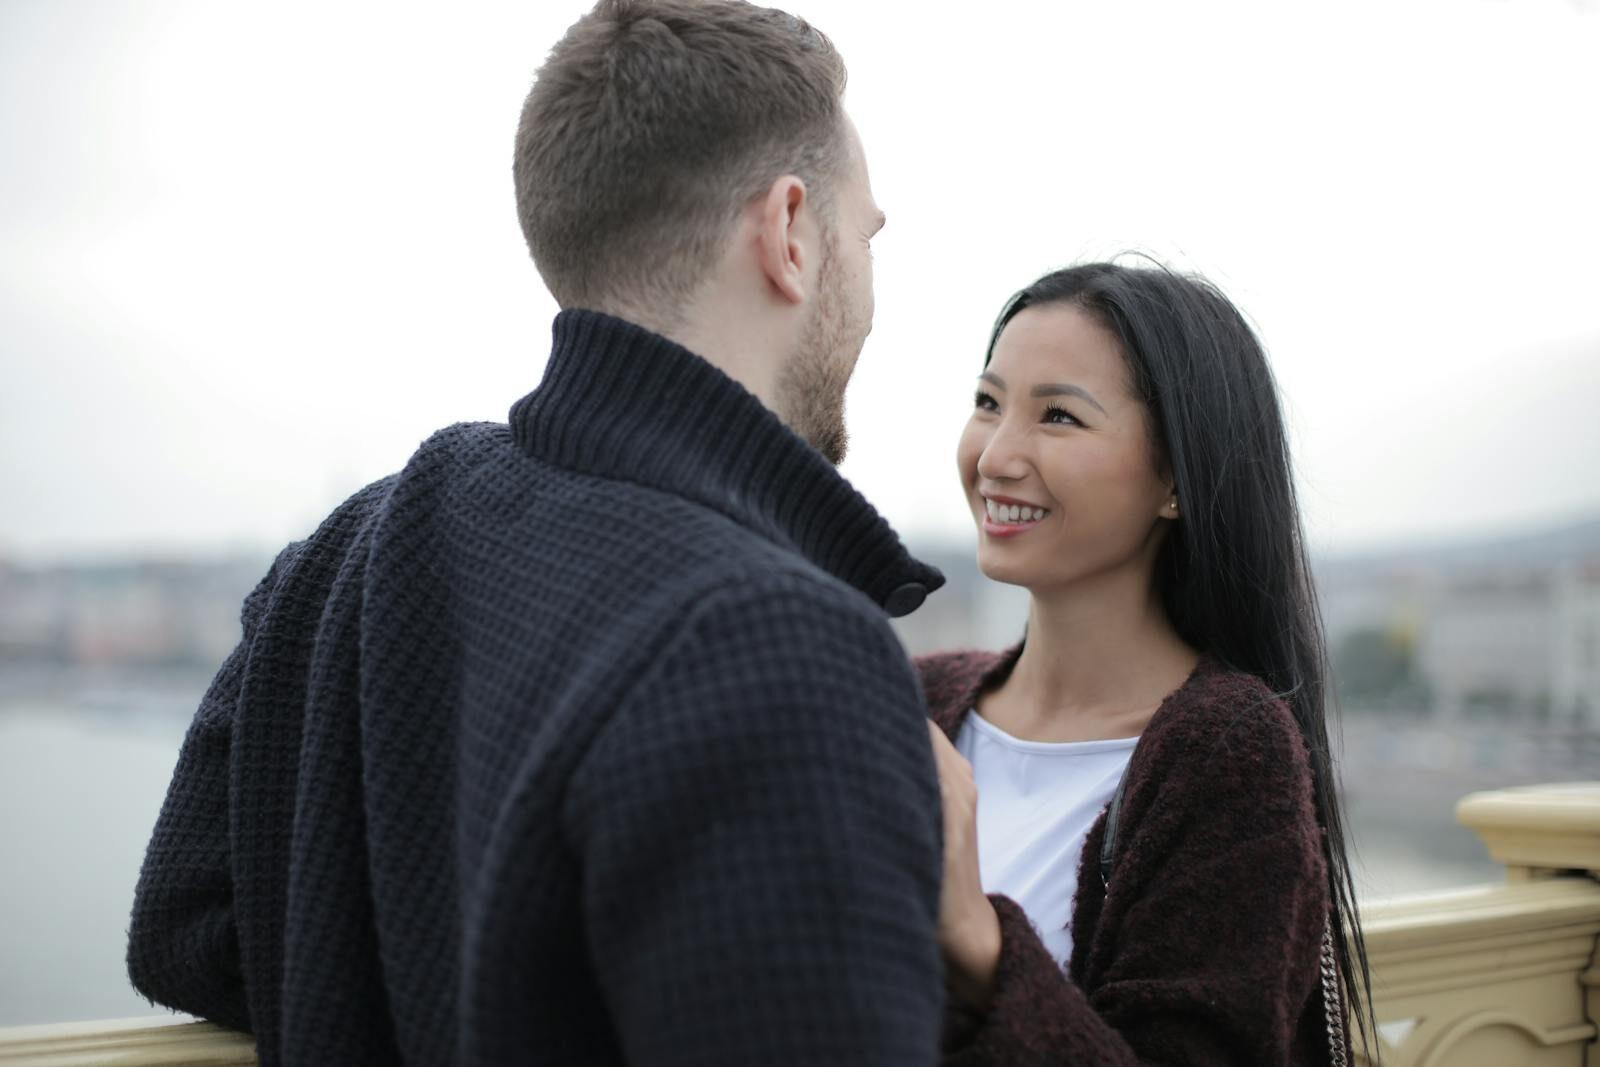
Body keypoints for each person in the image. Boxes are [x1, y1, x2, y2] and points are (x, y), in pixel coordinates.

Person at [125, 2, 948, 1064]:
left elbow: (185, 932)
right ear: (790, 230)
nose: (870, 286)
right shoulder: (777, 641)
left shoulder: (352, 549)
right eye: (864, 233)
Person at [917, 262, 1375, 1065]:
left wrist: (978, 942)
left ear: (1175, 478)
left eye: (1057, 415)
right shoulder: (919, 698)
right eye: (988, 403)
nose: (996, 456)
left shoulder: (1230, 754)